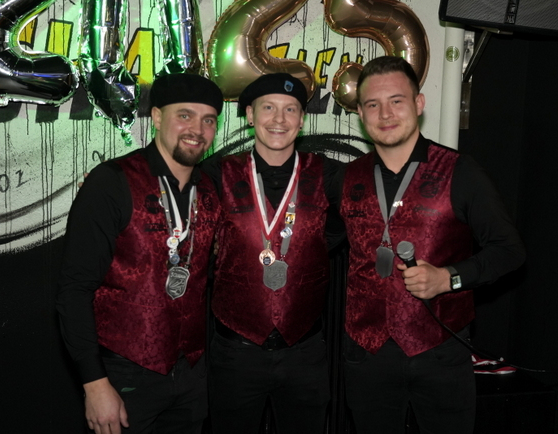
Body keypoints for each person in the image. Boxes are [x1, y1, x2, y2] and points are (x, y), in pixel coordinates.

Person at [339, 56, 526, 434]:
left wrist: (449, 277)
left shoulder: (460, 171)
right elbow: (315, 238)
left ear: (419, 103)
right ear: (360, 113)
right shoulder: (346, 177)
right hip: (366, 354)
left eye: (396, 101)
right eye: (373, 104)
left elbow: (509, 250)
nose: (385, 114)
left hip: (440, 351)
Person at [56, 73, 223, 434]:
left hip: (191, 375)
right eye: (185, 115)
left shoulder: (211, 190)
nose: (197, 129)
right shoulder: (112, 181)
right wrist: (94, 383)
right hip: (123, 374)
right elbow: (74, 289)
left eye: (208, 120)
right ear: (158, 117)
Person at [202, 73, 342, 434]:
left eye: (290, 109)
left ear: (302, 119)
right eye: (268, 108)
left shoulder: (327, 173)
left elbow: (362, 214)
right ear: (250, 115)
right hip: (235, 352)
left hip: (305, 351)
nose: (279, 119)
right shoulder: (217, 173)